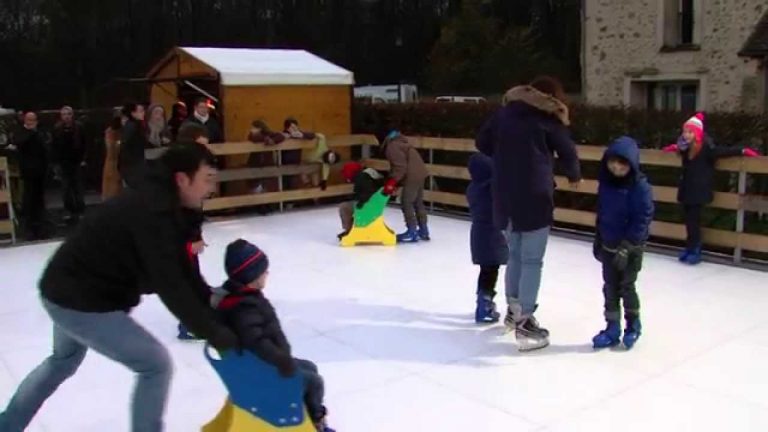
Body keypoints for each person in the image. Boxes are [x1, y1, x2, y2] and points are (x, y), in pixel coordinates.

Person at [0, 144, 239, 432]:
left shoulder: (163, 203)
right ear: (182, 179)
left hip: (62, 288)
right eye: (207, 179)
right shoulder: (153, 213)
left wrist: (211, 301)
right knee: (155, 364)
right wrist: (215, 333)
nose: (211, 188)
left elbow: (183, 269)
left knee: (62, 361)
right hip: (81, 301)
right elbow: (171, 284)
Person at [475, 76, 581, 352]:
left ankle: (513, 311)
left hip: (504, 195)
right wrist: (573, 174)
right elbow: (567, 150)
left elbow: (482, 142)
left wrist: (506, 156)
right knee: (532, 259)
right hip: (534, 196)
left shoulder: (503, 114)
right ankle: (525, 322)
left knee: (515, 254)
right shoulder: (546, 117)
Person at [212, 239, 335, 432]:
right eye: (264, 272)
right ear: (252, 276)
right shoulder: (244, 307)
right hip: (262, 370)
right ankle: (317, 421)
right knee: (314, 381)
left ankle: (301, 406)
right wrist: (281, 361)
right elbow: (257, 343)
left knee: (310, 367)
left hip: (260, 364)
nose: (267, 274)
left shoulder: (243, 297)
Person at [662, 113, 760, 265]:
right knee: (688, 220)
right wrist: (674, 147)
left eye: (690, 132)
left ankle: (695, 250)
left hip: (698, 191)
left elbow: (723, 151)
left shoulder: (706, 148)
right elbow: (680, 149)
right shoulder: (685, 148)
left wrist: (742, 151)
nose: (686, 135)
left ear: (697, 133)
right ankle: (689, 247)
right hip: (687, 189)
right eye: (685, 132)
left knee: (694, 222)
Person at [592, 136, 654, 350]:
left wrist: (628, 246)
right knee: (610, 288)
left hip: (631, 248)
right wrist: (598, 238)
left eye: (623, 163)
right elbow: (602, 213)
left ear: (632, 164)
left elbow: (642, 218)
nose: (617, 167)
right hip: (609, 245)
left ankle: (633, 325)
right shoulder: (606, 184)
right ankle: (612, 328)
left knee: (626, 287)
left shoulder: (640, 187)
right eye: (613, 162)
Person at [466, 153, 508, 324]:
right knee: (491, 271)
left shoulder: (473, 188)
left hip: (478, 234)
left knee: (486, 271)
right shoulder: (492, 189)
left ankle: (482, 302)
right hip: (494, 235)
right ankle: (485, 305)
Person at [380, 130, 430, 243]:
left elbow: (400, 167)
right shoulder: (401, 142)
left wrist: (392, 182)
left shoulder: (392, 146)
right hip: (421, 173)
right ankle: (423, 230)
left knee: (406, 202)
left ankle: (412, 232)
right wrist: (396, 182)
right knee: (418, 202)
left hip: (411, 175)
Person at [11, 111, 49, 240]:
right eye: (29, 120)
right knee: (29, 200)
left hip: (40, 172)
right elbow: (19, 143)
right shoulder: (21, 133)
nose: (31, 123)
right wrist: (31, 132)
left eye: (33, 120)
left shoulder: (40, 133)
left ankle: (41, 228)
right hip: (28, 172)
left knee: (40, 201)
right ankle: (29, 229)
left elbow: (45, 149)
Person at [52, 106, 87, 223]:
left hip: (76, 161)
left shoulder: (79, 127)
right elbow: (54, 146)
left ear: (72, 115)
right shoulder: (57, 129)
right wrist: (55, 163)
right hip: (63, 163)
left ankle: (80, 211)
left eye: (69, 114)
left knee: (78, 188)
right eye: (64, 114)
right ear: (61, 116)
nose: (66, 117)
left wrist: (83, 159)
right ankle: (69, 211)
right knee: (65, 190)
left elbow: (85, 144)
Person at [338, 161, 385, 240]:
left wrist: (361, 203)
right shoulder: (365, 175)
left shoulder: (361, 178)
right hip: (375, 202)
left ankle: (349, 230)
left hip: (369, 204)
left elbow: (368, 192)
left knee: (344, 207)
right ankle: (351, 229)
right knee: (347, 204)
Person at [118, 103, 148, 189]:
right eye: (140, 111)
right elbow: (128, 146)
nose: (143, 113)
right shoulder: (133, 127)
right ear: (133, 113)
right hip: (133, 166)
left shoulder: (134, 125)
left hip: (132, 165)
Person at [102, 113, 126, 201]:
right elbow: (111, 149)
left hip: (124, 161)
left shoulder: (127, 130)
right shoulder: (110, 132)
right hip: (113, 162)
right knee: (113, 186)